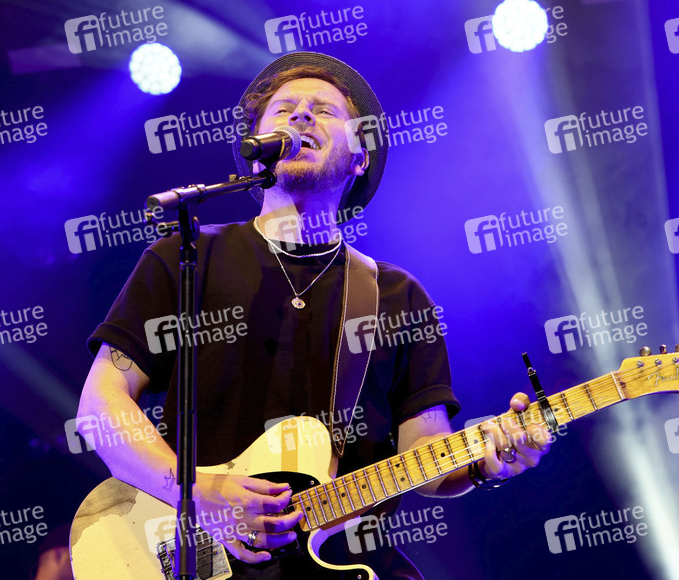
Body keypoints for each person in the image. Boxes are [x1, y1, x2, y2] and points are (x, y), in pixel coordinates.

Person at [77, 52, 551, 579]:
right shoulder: (186, 257)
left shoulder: (397, 297)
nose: (301, 115)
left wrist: (487, 460)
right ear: (254, 152)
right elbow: (101, 404)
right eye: (283, 110)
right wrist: (196, 492)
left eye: (323, 110)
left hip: (345, 560)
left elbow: (426, 454)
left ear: (359, 158)